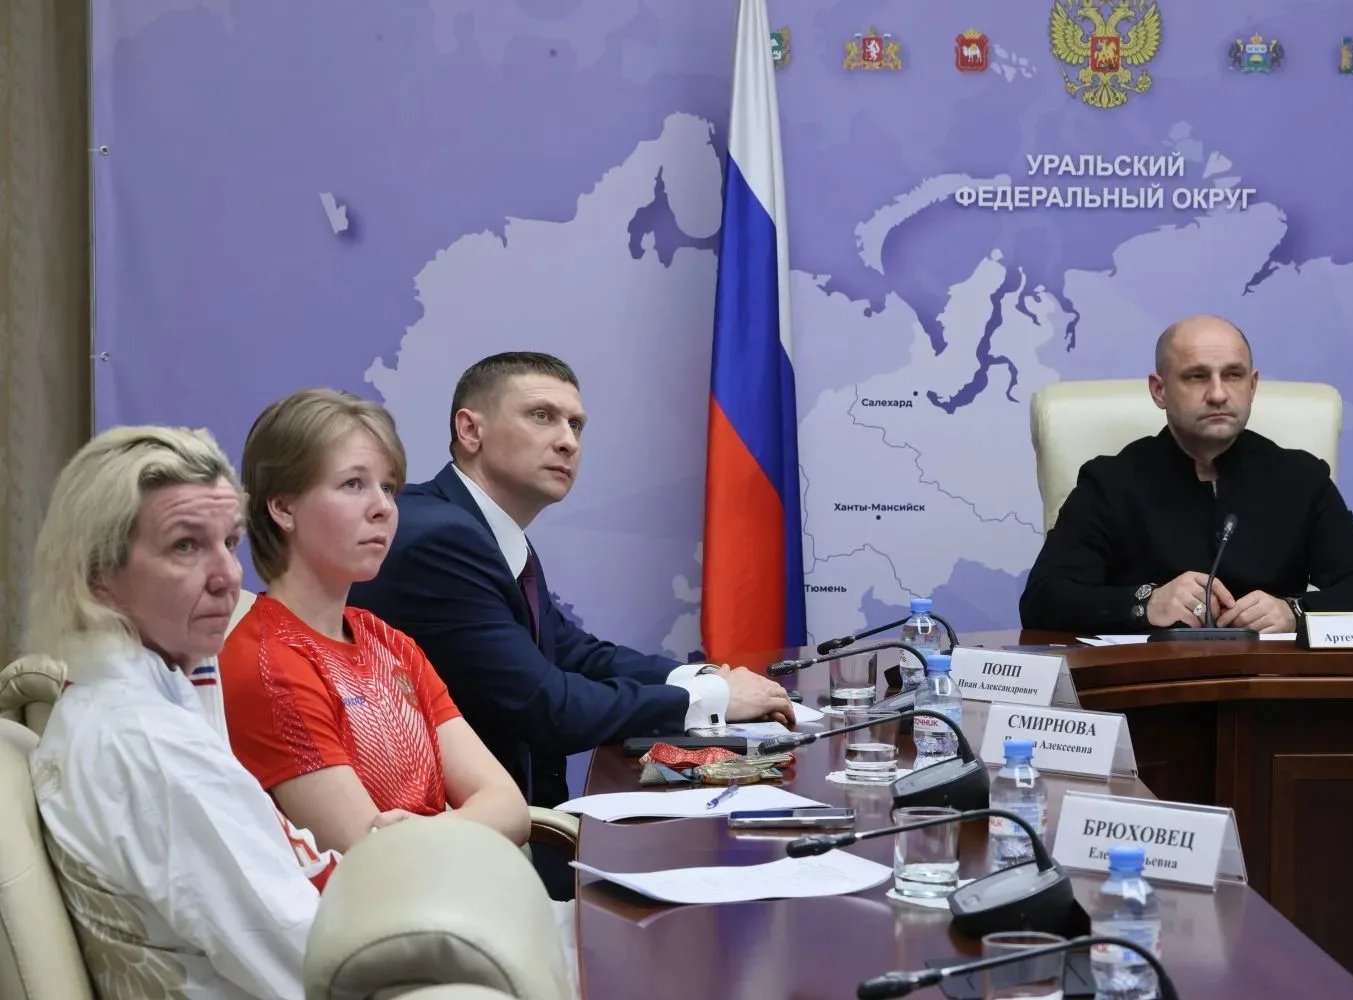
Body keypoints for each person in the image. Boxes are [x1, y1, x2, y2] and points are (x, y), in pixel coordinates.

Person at [347, 353, 794, 811]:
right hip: (457, 833)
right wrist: (714, 698)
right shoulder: (441, 537)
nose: (567, 442)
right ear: (470, 430)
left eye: (576, 425)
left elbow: (572, 652)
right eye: (542, 416)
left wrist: (703, 677)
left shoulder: (485, 530)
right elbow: (546, 708)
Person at [26, 425, 339, 999]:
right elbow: (324, 970)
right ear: (98, 576)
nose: (229, 577)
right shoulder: (148, 744)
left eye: (230, 542)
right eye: (186, 546)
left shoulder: (148, 689)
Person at [219, 388, 531, 855]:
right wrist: (459, 828)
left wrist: (429, 832)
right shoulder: (266, 664)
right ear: (282, 507)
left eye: (388, 487)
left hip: (451, 880)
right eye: (352, 484)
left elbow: (510, 807)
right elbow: (373, 858)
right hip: (384, 899)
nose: (383, 507)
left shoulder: (388, 641)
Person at [1019, 314, 1353, 634]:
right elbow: (1043, 600)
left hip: (1271, 685)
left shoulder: (1301, 478)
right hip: (1154, 687)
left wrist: (1294, 612)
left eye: (1233, 375)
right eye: (1197, 377)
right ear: (1159, 390)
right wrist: (1146, 604)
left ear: (1252, 386)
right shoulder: (1110, 482)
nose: (1218, 394)